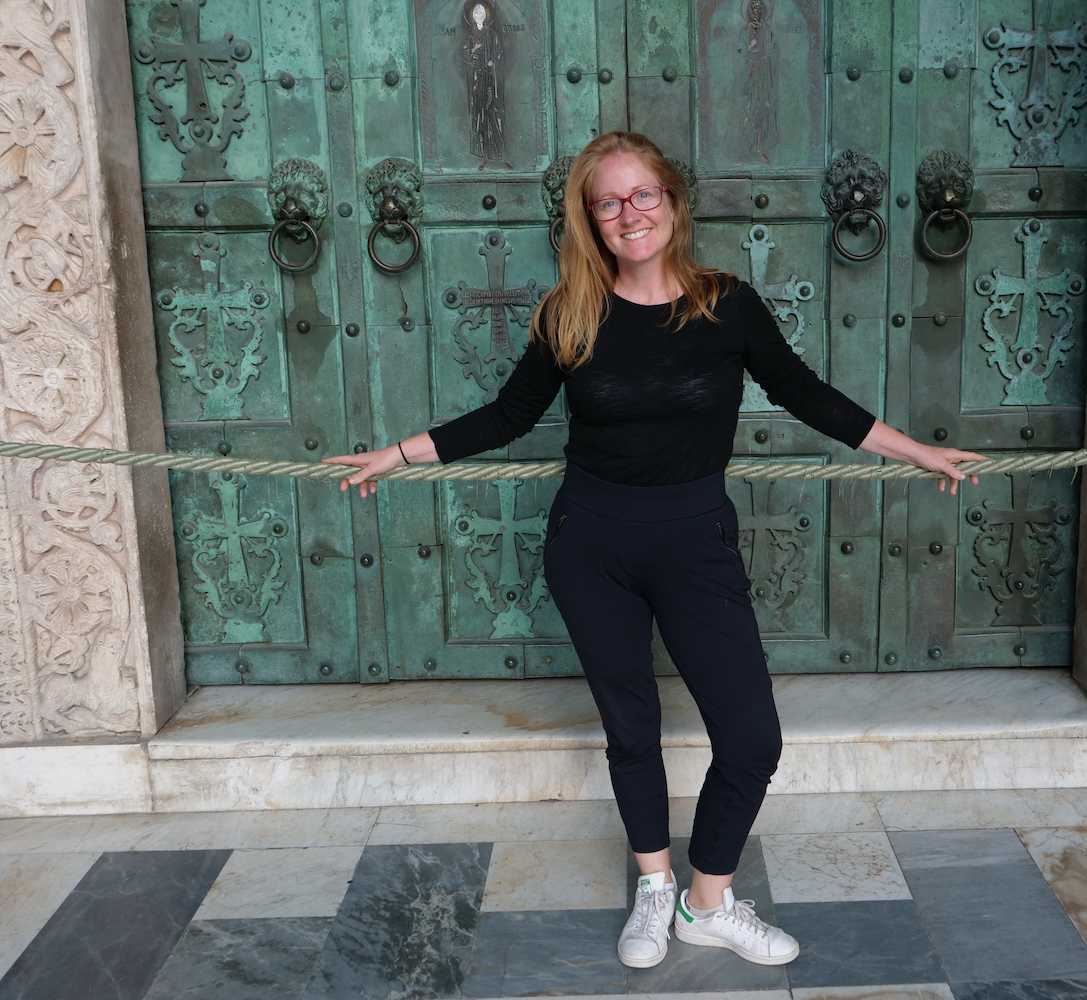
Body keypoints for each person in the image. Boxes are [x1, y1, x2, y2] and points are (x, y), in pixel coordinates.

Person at [326, 131, 984, 969]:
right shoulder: (569, 312)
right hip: (589, 543)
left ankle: (706, 901)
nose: (629, 213)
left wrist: (918, 450)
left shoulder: (726, 303)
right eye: (609, 201)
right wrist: (399, 453)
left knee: (750, 740)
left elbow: (807, 396)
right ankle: (651, 885)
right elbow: (508, 416)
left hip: (694, 539)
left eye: (644, 195)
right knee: (630, 729)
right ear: (590, 219)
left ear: (673, 202)